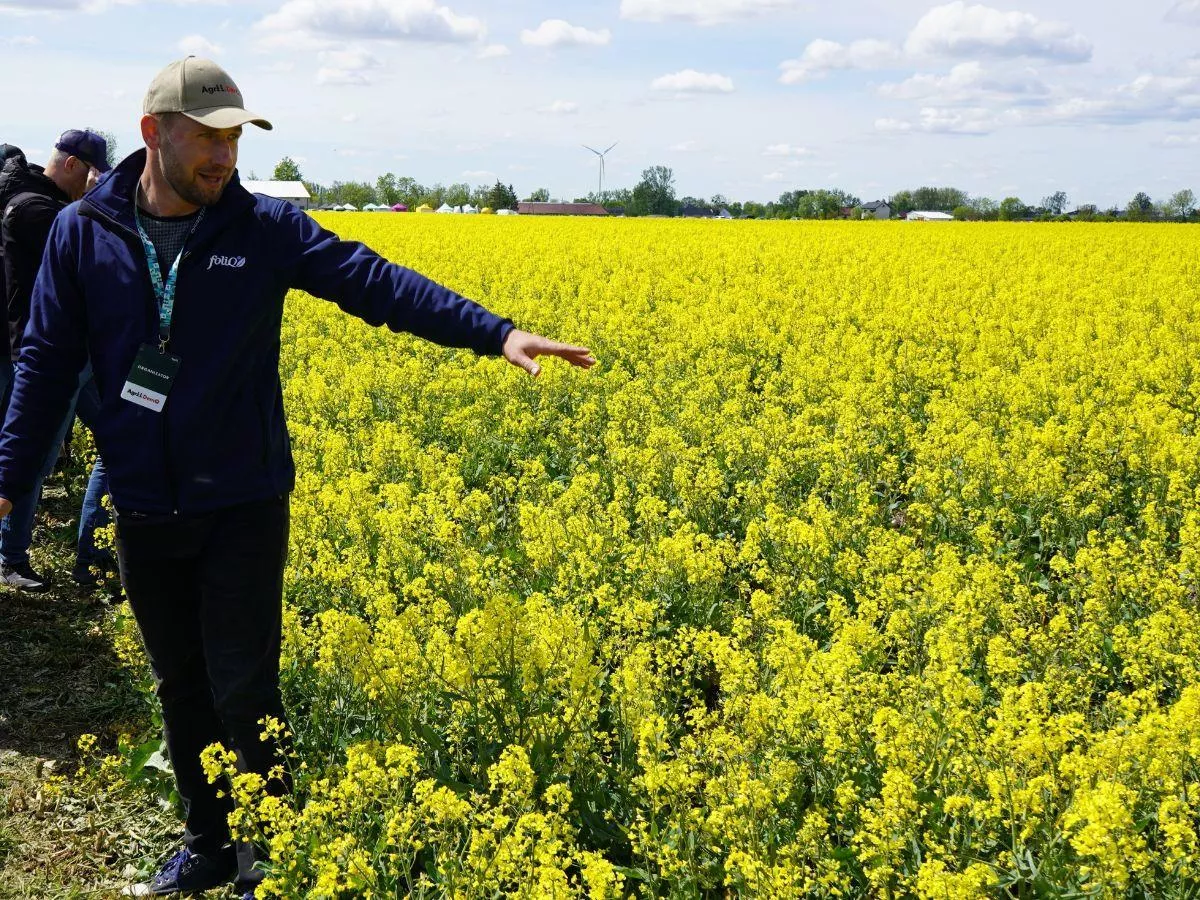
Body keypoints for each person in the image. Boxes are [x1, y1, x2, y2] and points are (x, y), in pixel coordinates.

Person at [0, 56, 594, 897]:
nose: (224, 156)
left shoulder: (262, 228)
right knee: (180, 686)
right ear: (152, 133)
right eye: (207, 138)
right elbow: (44, 364)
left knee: (246, 688)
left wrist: (493, 332)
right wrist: (9, 478)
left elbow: (373, 282)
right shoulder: (81, 233)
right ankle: (208, 842)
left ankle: (267, 858)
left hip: (242, 500)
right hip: (143, 502)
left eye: (234, 140)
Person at [0, 129, 110, 590]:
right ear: (71, 165)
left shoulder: (48, 206)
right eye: (92, 173)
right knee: (34, 455)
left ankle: (95, 553)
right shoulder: (36, 210)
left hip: (80, 354)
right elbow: (93, 256)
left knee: (119, 437)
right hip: (46, 356)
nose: (94, 183)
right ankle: (10, 558)